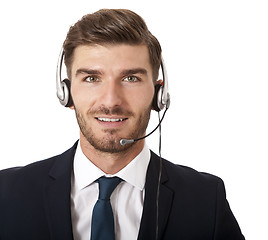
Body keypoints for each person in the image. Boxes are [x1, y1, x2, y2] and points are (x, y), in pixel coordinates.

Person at [0, 9, 245, 240]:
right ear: (66, 93)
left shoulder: (205, 198)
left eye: (131, 78)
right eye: (92, 78)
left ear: (159, 94)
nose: (111, 101)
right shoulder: (6, 193)